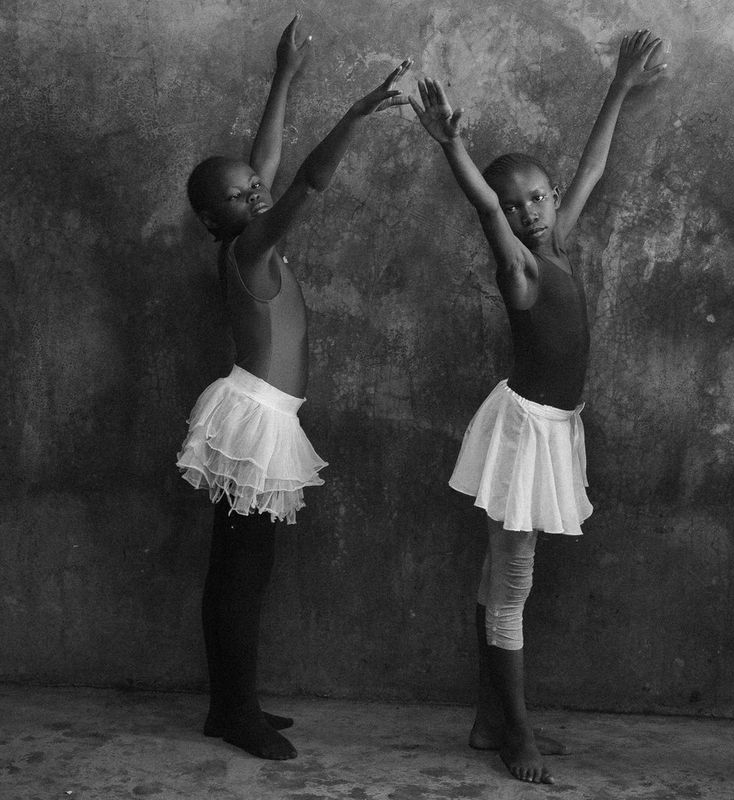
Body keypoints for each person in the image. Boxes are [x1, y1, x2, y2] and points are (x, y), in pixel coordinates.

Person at [410, 30, 667, 784]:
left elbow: (592, 166)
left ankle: (490, 718)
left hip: (557, 429)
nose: (525, 213)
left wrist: (619, 85)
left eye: (536, 198)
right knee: (512, 587)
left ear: (551, 200)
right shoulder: (520, 266)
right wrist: (453, 149)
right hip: (523, 433)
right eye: (515, 206)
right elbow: (486, 206)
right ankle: (516, 731)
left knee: (503, 580)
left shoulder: (558, 240)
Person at [176, 13, 411, 760]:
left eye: (253, 187)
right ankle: (234, 712)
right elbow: (305, 178)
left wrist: (284, 76)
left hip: (262, 414)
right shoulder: (250, 245)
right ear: (219, 220)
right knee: (241, 574)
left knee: (244, 568)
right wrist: (352, 112)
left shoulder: (246, 226)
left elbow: (267, 164)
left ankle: (231, 705)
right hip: (254, 418)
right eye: (244, 195)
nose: (257, 192)